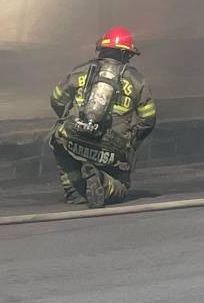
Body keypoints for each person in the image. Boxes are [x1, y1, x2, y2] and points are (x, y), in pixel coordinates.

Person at [49, 26, 157, 208]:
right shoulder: (137, 80)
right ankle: (102, 181)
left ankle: (74, 192)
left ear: (102, 48)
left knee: (57, 140)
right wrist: (130, 143)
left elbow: (56, 99)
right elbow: (148, 120)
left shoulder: (80, 71)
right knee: (122, 187)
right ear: (126, 54)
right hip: (112, 147)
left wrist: (74, 122)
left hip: (74, 137)